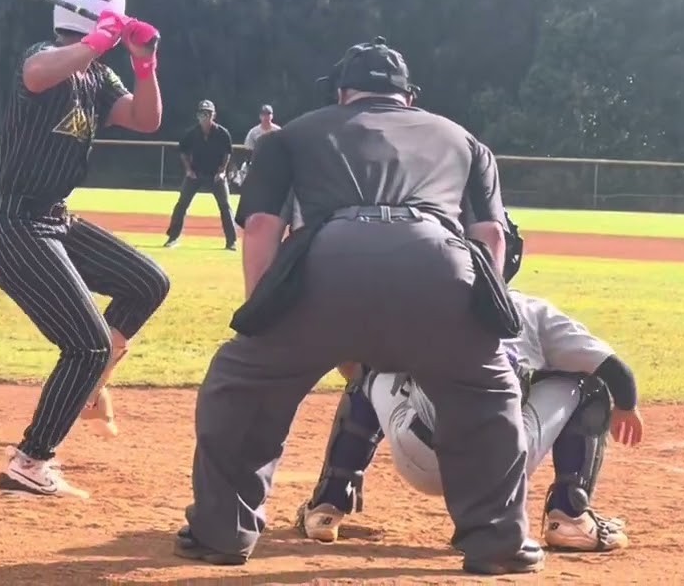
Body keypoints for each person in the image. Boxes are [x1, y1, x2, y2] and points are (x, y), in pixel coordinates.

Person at [174, 37, 543, 575]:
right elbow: (490, 238)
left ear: (343, 93)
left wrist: (261, 318)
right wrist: (479, 324)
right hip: (438, 264)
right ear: (408, 97)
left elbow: (259, 227)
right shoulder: (464, 139)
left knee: (242, 385)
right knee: (486, 393)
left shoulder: (293, 133)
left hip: (327, 263)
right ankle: (498, 541)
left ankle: (222, 532)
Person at [296, 213, 641, 556]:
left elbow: (347, 359)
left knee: (368, 374)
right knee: (587, 384)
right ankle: (570, 516)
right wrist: (626, 406)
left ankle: (327, 508)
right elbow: (616, 372)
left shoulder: (410, 303)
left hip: (420, 458)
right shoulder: (530, 310)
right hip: (503, 468)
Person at [0, 0, 171, 499]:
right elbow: (38, 75)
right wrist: (98, 40)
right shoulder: (47, 55)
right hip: (10, 221)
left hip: (53, 218)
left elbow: (146, 119)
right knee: (85, 343)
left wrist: (144, 62)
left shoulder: (99, 78)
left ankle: (91, 383)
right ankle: (30, 461)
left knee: (147, 282)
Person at [163, 100, 237, 250]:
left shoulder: (222, 133)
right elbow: (183, 152)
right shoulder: (191, 133)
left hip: (216, 174)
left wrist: (222, 171)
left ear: (213, 115)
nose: (204, 116)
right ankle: (173, 237)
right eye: (201, 113)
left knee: (225, 206)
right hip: (196, 173)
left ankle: (231, 242)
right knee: (181, 204)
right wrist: (188, 170)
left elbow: (227, 153)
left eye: (207, 113)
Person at [232, 104, 280, 188]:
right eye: (264, 115)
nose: (266, 117)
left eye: (268, 114)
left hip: (274, 163)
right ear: (260, 116)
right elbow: (248, 149)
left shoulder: (278, 131)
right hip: (256, 164)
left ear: (272, 116)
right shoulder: (253, 132)